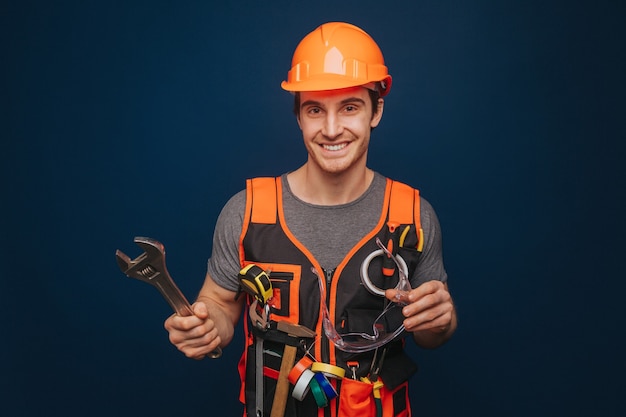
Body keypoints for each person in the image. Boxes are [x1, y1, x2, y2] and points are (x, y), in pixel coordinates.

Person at [165, 21, 457, 417]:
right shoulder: (247, 211)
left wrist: (441, 319)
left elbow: (431, 333)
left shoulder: (413, 215)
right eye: (315, 109)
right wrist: (205, 326)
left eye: (350, 107)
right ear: (299, 116)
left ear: (377, 110)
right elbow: (218, 303)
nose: (332, 129)